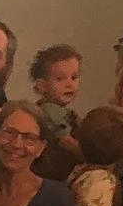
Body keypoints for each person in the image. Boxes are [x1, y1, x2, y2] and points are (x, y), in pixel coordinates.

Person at [29, 45, 85, 178]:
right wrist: (89, 158)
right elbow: (66, 142)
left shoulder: (63, 111)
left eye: (74, 77)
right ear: (42, 86)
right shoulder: (49, 110)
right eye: (60, 79)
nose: (69, 84)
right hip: (51, 172)